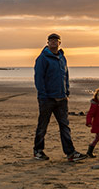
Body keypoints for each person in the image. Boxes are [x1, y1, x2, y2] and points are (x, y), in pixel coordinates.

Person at [33, 33, 87, 162]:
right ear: (47, 43)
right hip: (47, 99)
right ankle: (38, 151)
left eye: (56, 40)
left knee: (65, 126)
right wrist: (43, 95)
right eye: (51, 40)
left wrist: (67, 92)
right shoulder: (42, 58)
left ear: (59, 43)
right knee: (42, 126)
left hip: (61, 99)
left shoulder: (62, 58)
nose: (53, 42)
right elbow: (39, 78)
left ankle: (70, 153)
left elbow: (65, 75)